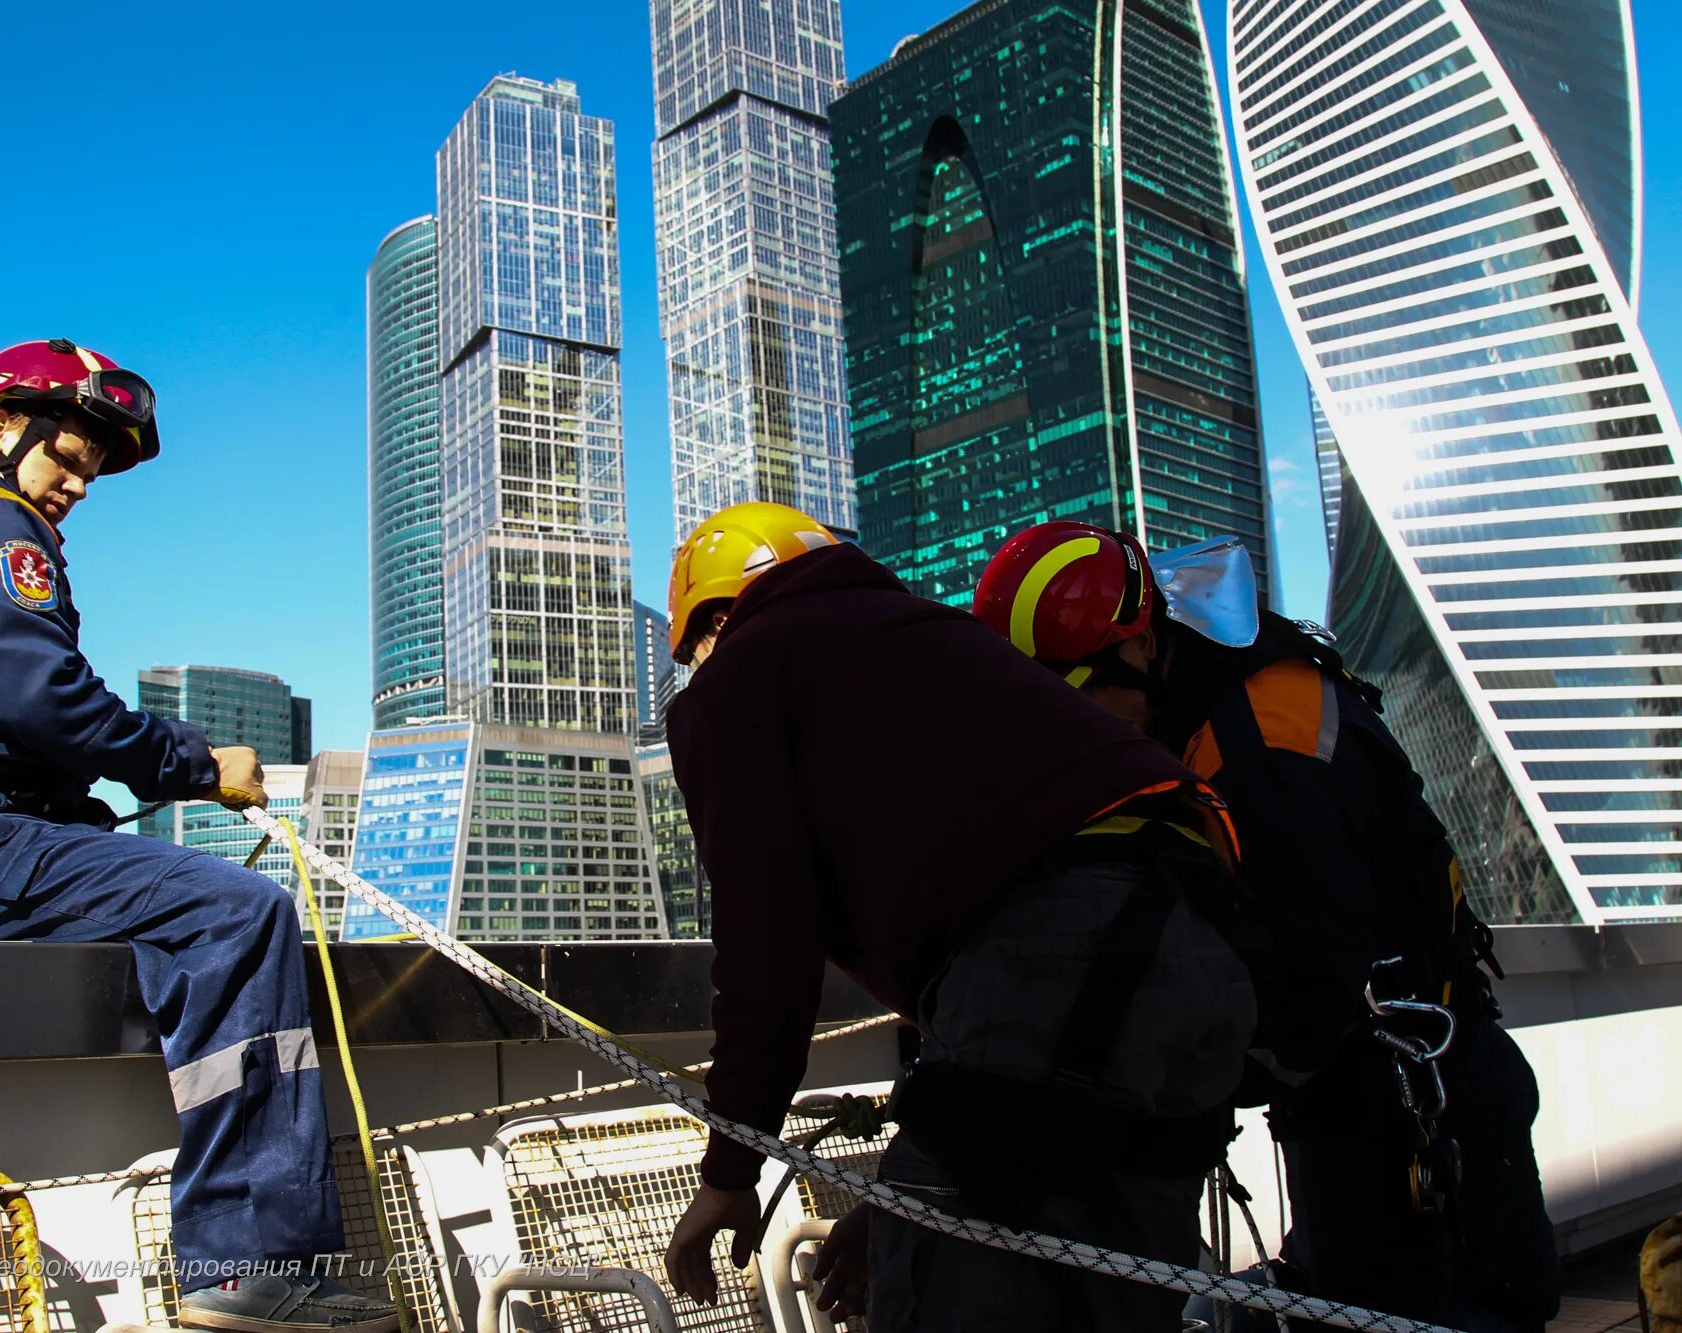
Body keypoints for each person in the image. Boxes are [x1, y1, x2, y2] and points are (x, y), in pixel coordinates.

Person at [0, 340, 398, 1333]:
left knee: (161, 921)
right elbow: (43, 700)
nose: (74, 484)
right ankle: (250, 1265)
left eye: (87, 471)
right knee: (237, 914)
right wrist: (198, 764)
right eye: (64, 457)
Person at [657, 501, 1257, 1332]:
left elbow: (766, 946)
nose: (699, 673)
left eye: (695, 653)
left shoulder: (742, 673)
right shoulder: (923, 637)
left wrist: (730, 1167)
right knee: (1112, 1293)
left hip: (1061, 951)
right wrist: (911, 1201)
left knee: (958, 1296)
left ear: (717, 616)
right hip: (1200, 934)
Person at [972, 522, 1560, 1331]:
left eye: (1082, 700)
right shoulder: (1216, 690)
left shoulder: (1257, 746)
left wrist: (1153, 1083)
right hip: (1389, 1082)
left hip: (1406, 1104)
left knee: (1423, 1312)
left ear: (1137, 651)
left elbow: (1307, 992)